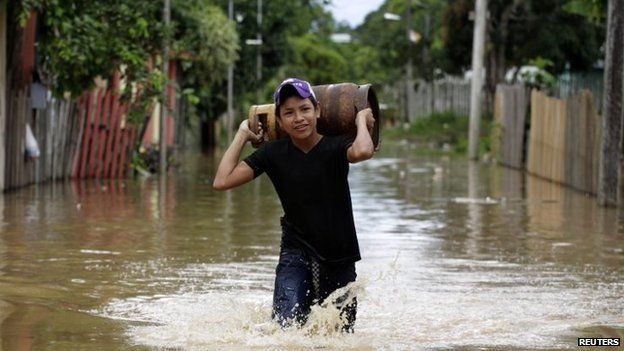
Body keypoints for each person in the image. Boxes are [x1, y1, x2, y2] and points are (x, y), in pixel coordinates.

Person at [213, 78, 375, 332]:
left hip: (340, 254)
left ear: (318, 111)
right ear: (279, 120)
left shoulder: (336, 146)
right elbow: (222, 181)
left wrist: (360, 122)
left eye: (304, 109)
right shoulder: (272, 153)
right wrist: (242, 135)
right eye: (289, 112)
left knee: (338, 335)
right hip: (295, 252)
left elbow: (363, 151)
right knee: (285, 329)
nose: (298, 118)